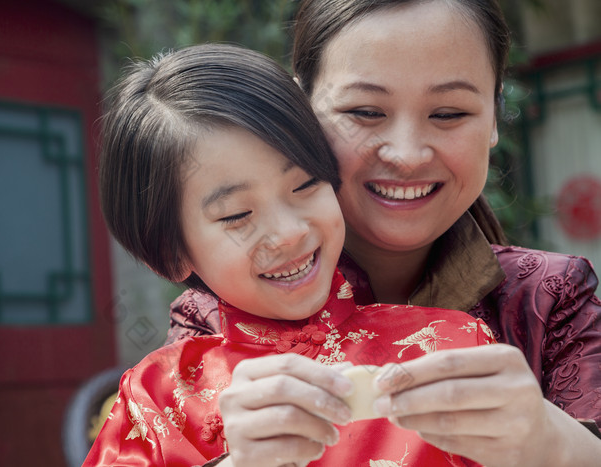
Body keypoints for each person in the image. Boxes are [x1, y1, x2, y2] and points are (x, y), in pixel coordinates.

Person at [166, 0, 601, 465]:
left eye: (449, 113)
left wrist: (552, 441)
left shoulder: (552, 298)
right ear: (301, 115)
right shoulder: (216, 317)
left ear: (495, 115)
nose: (407, 154)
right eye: (366, 112)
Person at [84, 43, 500, 466]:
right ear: (171, 255)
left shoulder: (453, 348)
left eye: (305, 186)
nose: (289, 233)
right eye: (237, 215)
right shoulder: (155, 397)